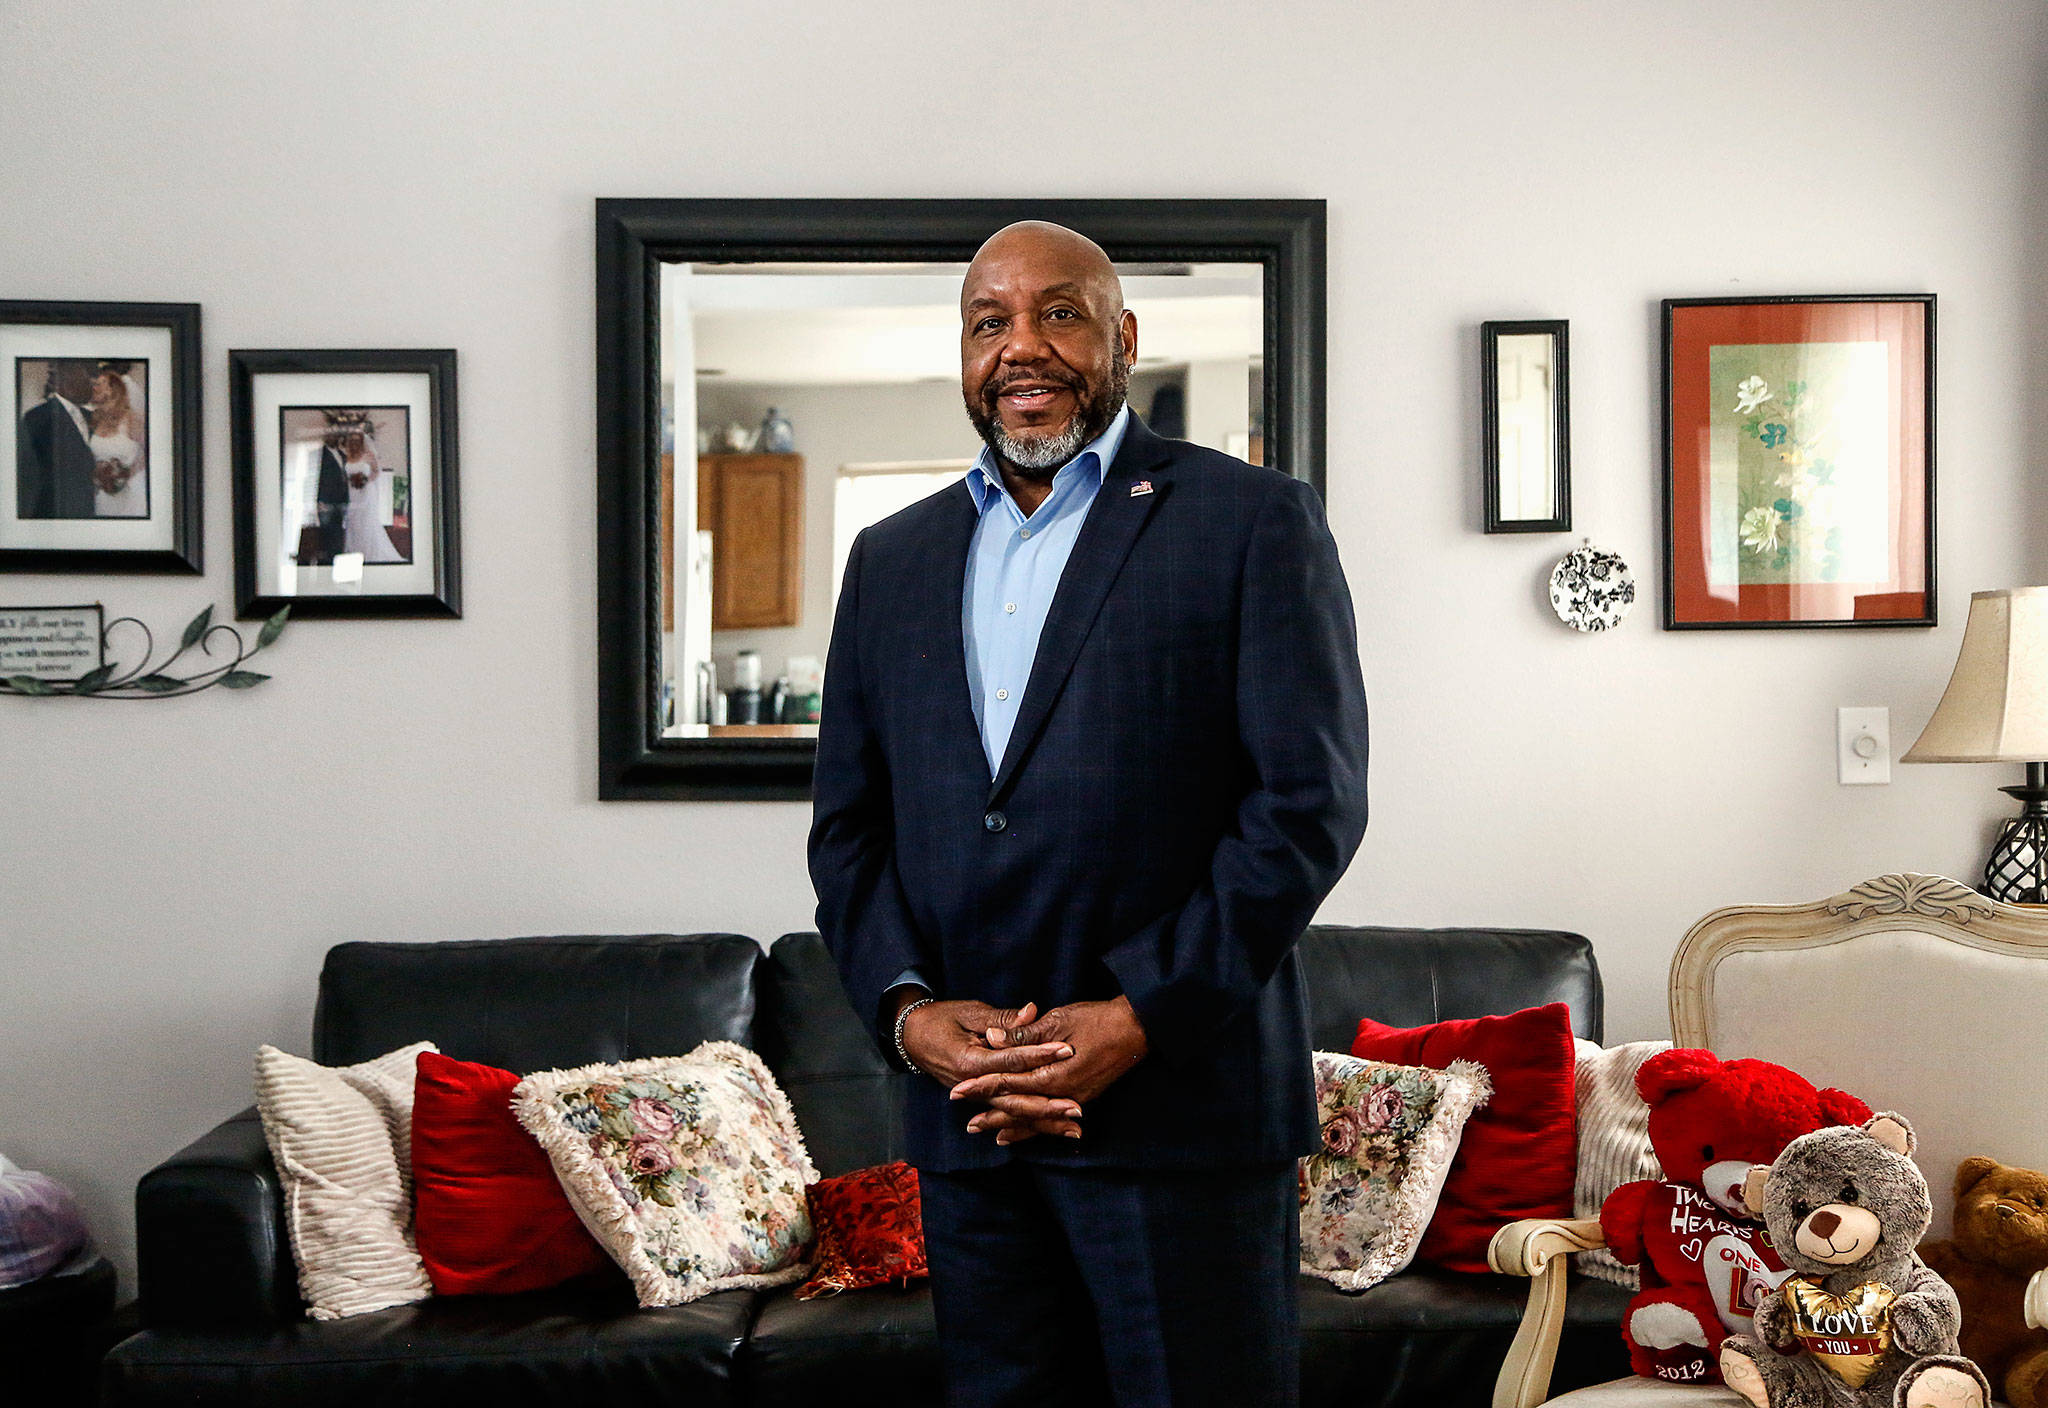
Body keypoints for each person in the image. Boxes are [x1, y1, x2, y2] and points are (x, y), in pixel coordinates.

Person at [808, 220, 1370, 1408]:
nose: (1022, 348)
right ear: (961, 355)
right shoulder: (889, 558)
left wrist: (1137, 1014)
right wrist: (908, 1016)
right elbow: (848, 834)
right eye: (988, 322)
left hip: (1180, 1119)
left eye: (1057, 313)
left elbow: (1307, 804)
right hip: (970, 1130)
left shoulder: (1249, 520)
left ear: (1120, 337)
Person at [15, 362, 99, 520]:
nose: (90, 388)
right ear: (67, 383)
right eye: (84, 382)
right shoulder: (38, 417)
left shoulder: (90, 416)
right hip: (56, 510)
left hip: (90, 508)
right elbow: (29, 471)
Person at [86, 364, 147, 518]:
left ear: (114, 388)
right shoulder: (92, 420)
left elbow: (151, 452)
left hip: (131, 492)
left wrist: (125, 473)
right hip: (102, 493)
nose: (94, 388)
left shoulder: (131, 419)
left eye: (99, 384)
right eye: (93, 385)